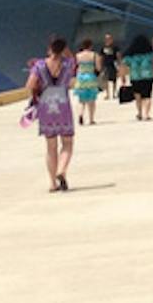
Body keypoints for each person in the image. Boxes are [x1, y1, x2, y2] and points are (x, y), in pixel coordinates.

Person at [29, 35, 77, 191]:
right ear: (63, 48)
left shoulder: (39, 65)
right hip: (62, 102)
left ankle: (52, 183)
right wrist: (64, 51)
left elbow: (30, 84)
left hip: (46, 104)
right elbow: (73, 60)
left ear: (49, 48)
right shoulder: (68, 64)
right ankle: (61, 170)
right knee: (67, 143)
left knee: (51, 146)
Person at [123, 33, 153, 121]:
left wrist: (123, 77)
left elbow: (125, 65)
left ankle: (139, 113)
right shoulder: (150, 55)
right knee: (147, 95)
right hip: (148, 76)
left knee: (138, 96)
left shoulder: (130, 57)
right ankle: (147, 114)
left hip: (135, 77)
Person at [73, 39, 102, 126]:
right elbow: (98, 68)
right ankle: (91, 119)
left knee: (81, 100)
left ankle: (81, 114)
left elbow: (75, 67)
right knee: (92, 100)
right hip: (91, 77)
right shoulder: (94, 55)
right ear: (90, 46)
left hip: (81, 78)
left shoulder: (78, 56)